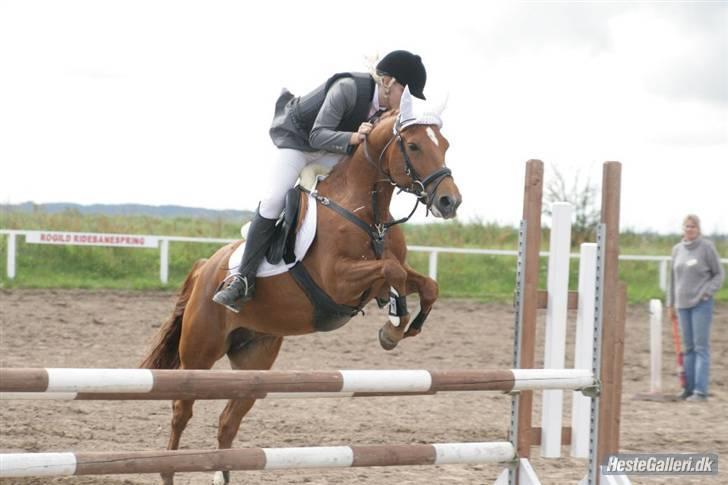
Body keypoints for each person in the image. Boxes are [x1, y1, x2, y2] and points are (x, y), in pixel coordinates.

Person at [213, 50, 428, 312]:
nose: (405, 103)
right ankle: (242, 279)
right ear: (387, 82)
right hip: (299, 142)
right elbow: (316, 136)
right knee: (273, 201)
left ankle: (376, 275)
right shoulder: (347, 89)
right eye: (405, 93)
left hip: (333, 149)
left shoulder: (386, 111)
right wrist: (352, 138)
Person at [667, 214, 725, 401]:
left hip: (701, 304)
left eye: (693, 226)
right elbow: (672, 280)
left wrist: (706, 293)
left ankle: (701, 391)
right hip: (682, 305)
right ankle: (688, 388)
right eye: (686, 226)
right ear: (682, 228)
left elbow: (718, 274)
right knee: (688, 347)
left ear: (698, 229)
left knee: (701, 347)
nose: (689, 229)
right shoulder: (677, 249)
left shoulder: (706, 247)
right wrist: (670, 303)